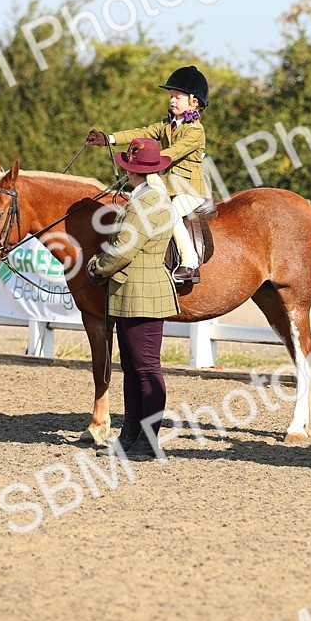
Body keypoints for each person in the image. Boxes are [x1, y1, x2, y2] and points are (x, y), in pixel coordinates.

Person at [86, 138, 180, 461]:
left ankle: (149, 440)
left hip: (141, 292)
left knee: (146, 368)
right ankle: (131, 434)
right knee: (132, 367)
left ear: (132, 170)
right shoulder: (145, 197)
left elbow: (124, 248)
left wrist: (98, 268)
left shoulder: (144, 203)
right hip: (131, 293)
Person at [86, 65, 210, 284]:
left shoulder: (195, 132)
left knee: (170, 214)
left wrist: (140, 163)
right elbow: (142, 133)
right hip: (167, 186)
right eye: (170, 97)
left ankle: (189, 264)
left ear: (194, 101)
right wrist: (110, 138)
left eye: (177, 97)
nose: (171, 101)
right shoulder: (167, 125)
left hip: (191, 190)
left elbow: (172, 153)